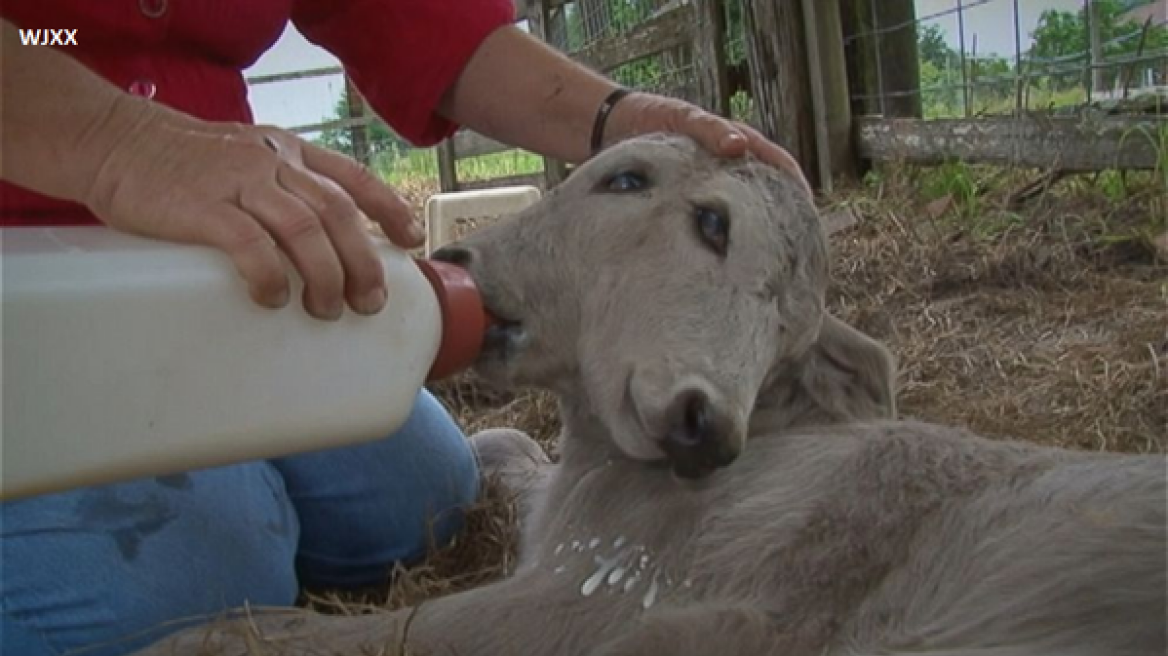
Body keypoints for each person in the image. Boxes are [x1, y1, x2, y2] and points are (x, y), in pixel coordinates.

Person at [0, 3, 807, 655]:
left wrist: (617, 118)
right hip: (31, 284)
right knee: (188, 580)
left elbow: (412, 16)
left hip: (221, 251)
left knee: (418, 496)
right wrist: (114, 144)